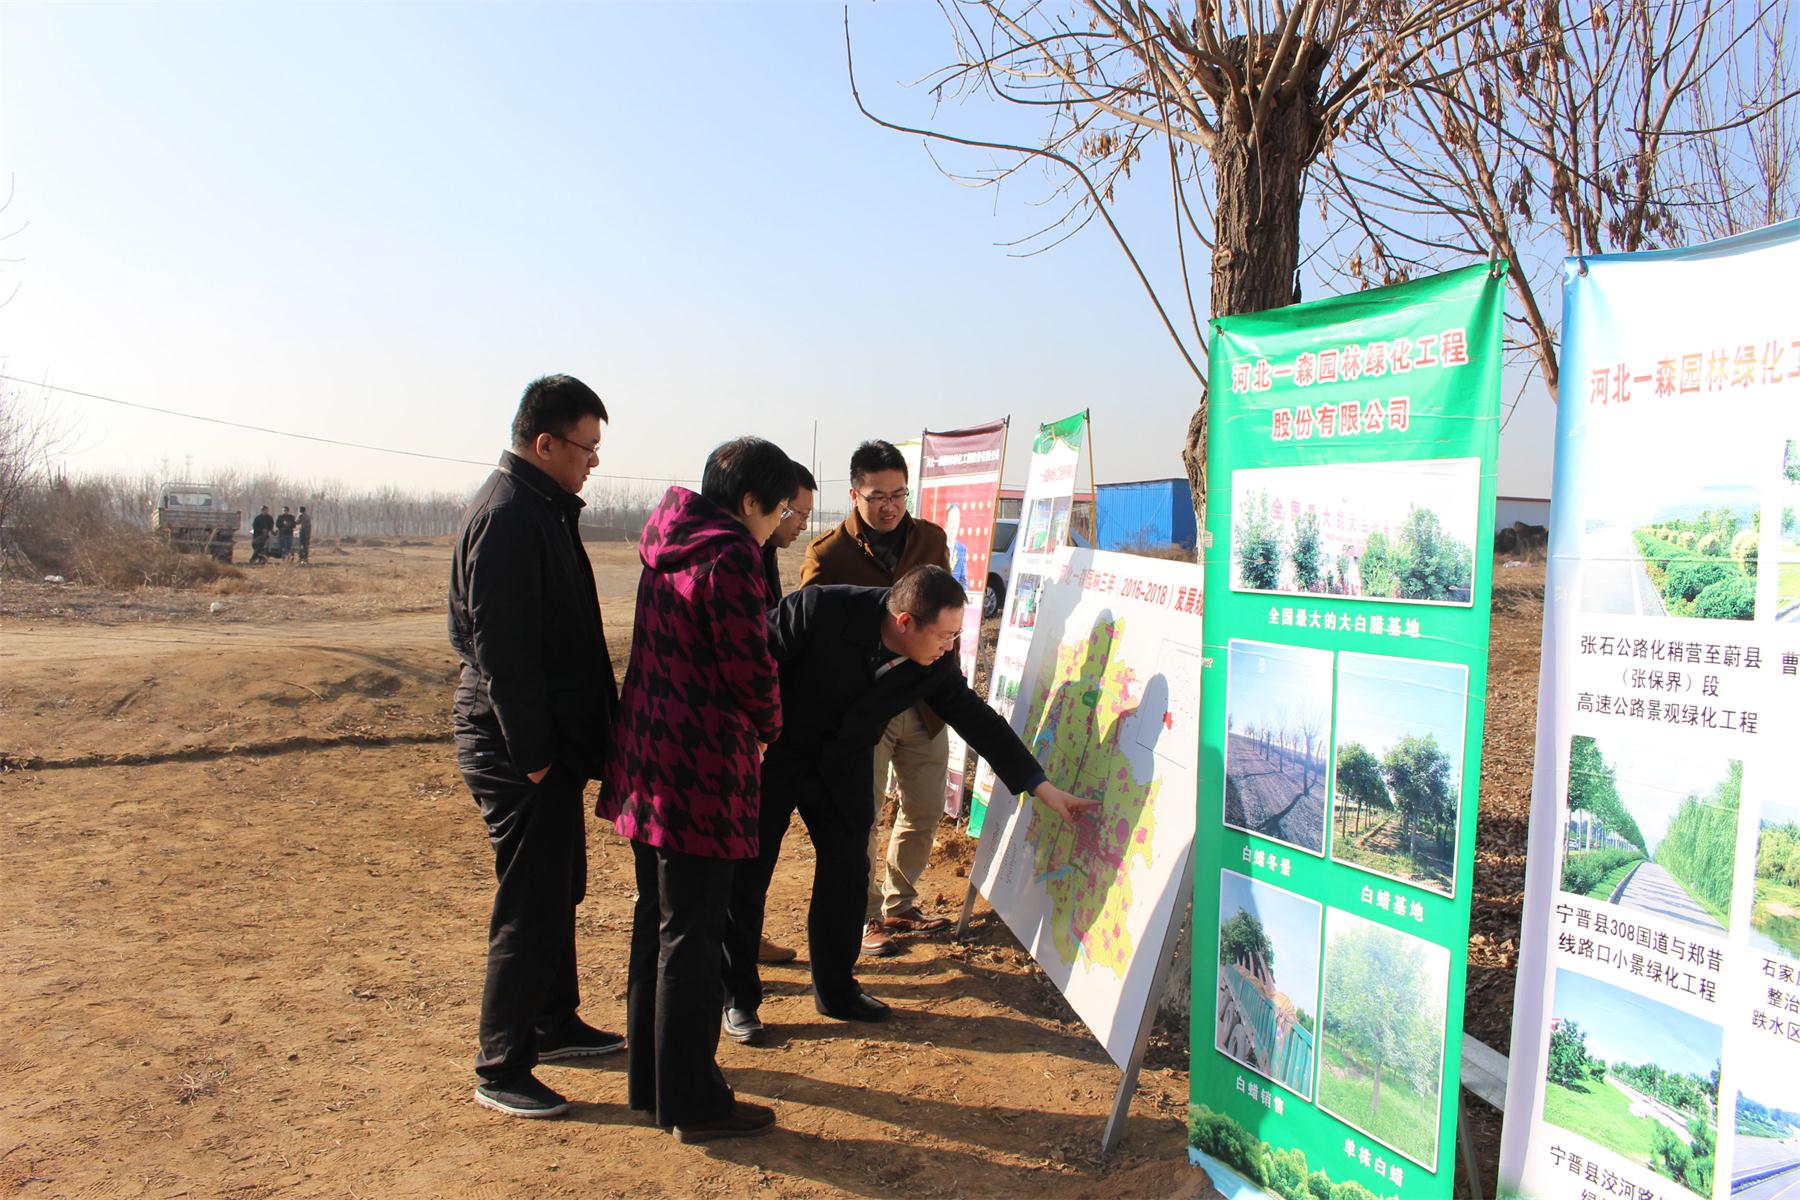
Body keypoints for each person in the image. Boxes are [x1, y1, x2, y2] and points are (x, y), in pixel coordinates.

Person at [720, 565, 1095, 1040]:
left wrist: (1041, 786)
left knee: (847, 872)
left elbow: (977, 719)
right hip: (772, 756)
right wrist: (744, 736)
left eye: (956, 635)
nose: (950, 645)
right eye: (944, 634)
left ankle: (837, 990)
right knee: (747, 873)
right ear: (905, 623)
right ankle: (738, 999)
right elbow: (744, 661)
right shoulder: (819, 610)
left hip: (843, 766)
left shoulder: (934, 662)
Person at [600, 437, 790, 1143]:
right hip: (701, 774)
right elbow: (750, 665)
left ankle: (654, 1085)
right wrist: (771, 724)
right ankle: (694, 1102)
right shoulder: (731, 554)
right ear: (750, 502)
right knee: (694, 938)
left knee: (659, 924)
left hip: (651, 763)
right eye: (777, 513)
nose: (777, 527)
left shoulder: (670, 541)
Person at [448, 374, 621, 1120]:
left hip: (545, 742)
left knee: (558, 886)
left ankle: (554, 1021)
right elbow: (504, 652)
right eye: (586, 447)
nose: (593, 462)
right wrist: (537, 756)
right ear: (545, 443)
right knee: (530, 900)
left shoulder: (540, 506)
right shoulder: (508, 515)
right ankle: (501, 1064)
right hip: (517, 745)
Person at [799, 439, 952, 957]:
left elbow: (944, 609)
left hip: (924, 702)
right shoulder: (827, 554)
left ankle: (901, 902)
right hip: (862, 711)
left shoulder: (930, 539)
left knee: (924, 807)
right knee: (859, 814)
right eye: (878, 496)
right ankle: (863, 915)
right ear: (854, 494)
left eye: (899, 494)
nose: (890, 506)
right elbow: (812, 637)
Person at [754, 462, 816, 966]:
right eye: (796, 513)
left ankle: (745, 935)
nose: (800, 525)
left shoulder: (765, 552)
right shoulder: (737, 558)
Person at [943, 503, 971, 587]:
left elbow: (963, 580)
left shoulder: (962, 549)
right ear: (946, 523)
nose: (953, 526)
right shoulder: (939, 546)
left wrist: (958, 593)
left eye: (956, 521)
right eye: (951, 521)